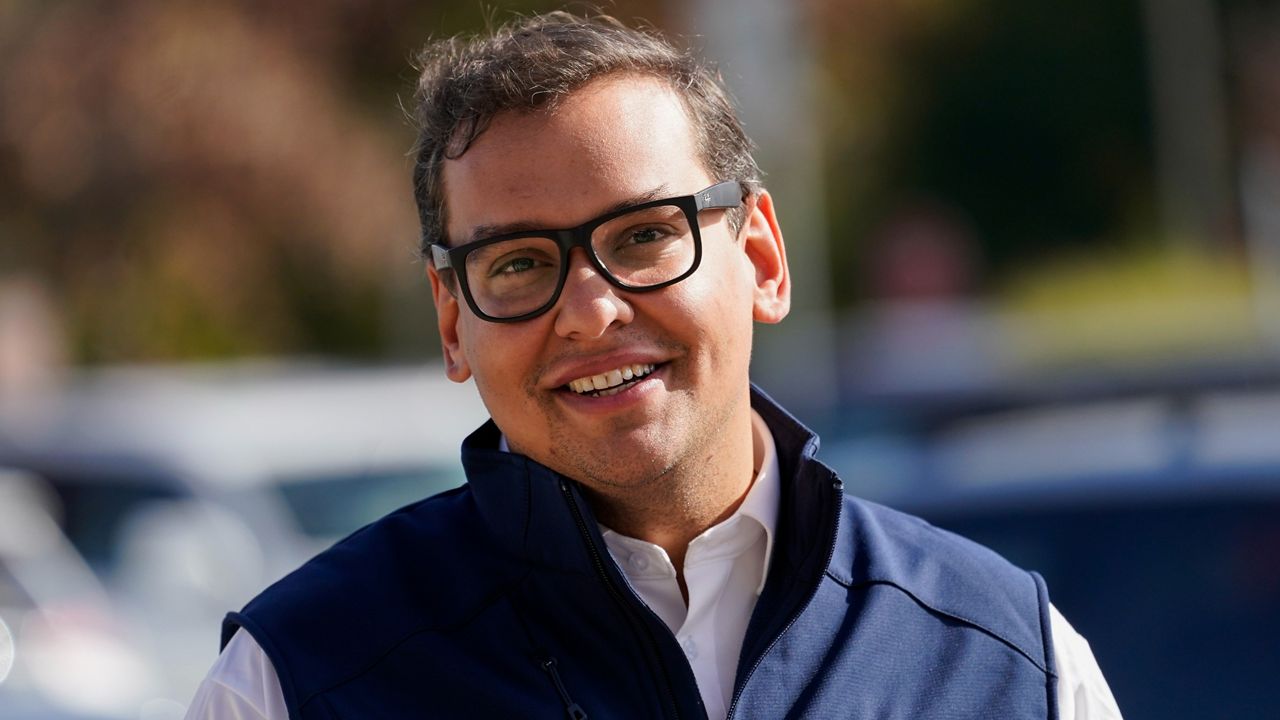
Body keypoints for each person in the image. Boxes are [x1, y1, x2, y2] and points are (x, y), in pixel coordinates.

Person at [186, 11, 1121, 719]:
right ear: (451, 323)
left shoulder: (1010, 663)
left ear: (760, 257)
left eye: (642, 236)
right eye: (517, 264)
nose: (591, 310)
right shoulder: (298, 683)